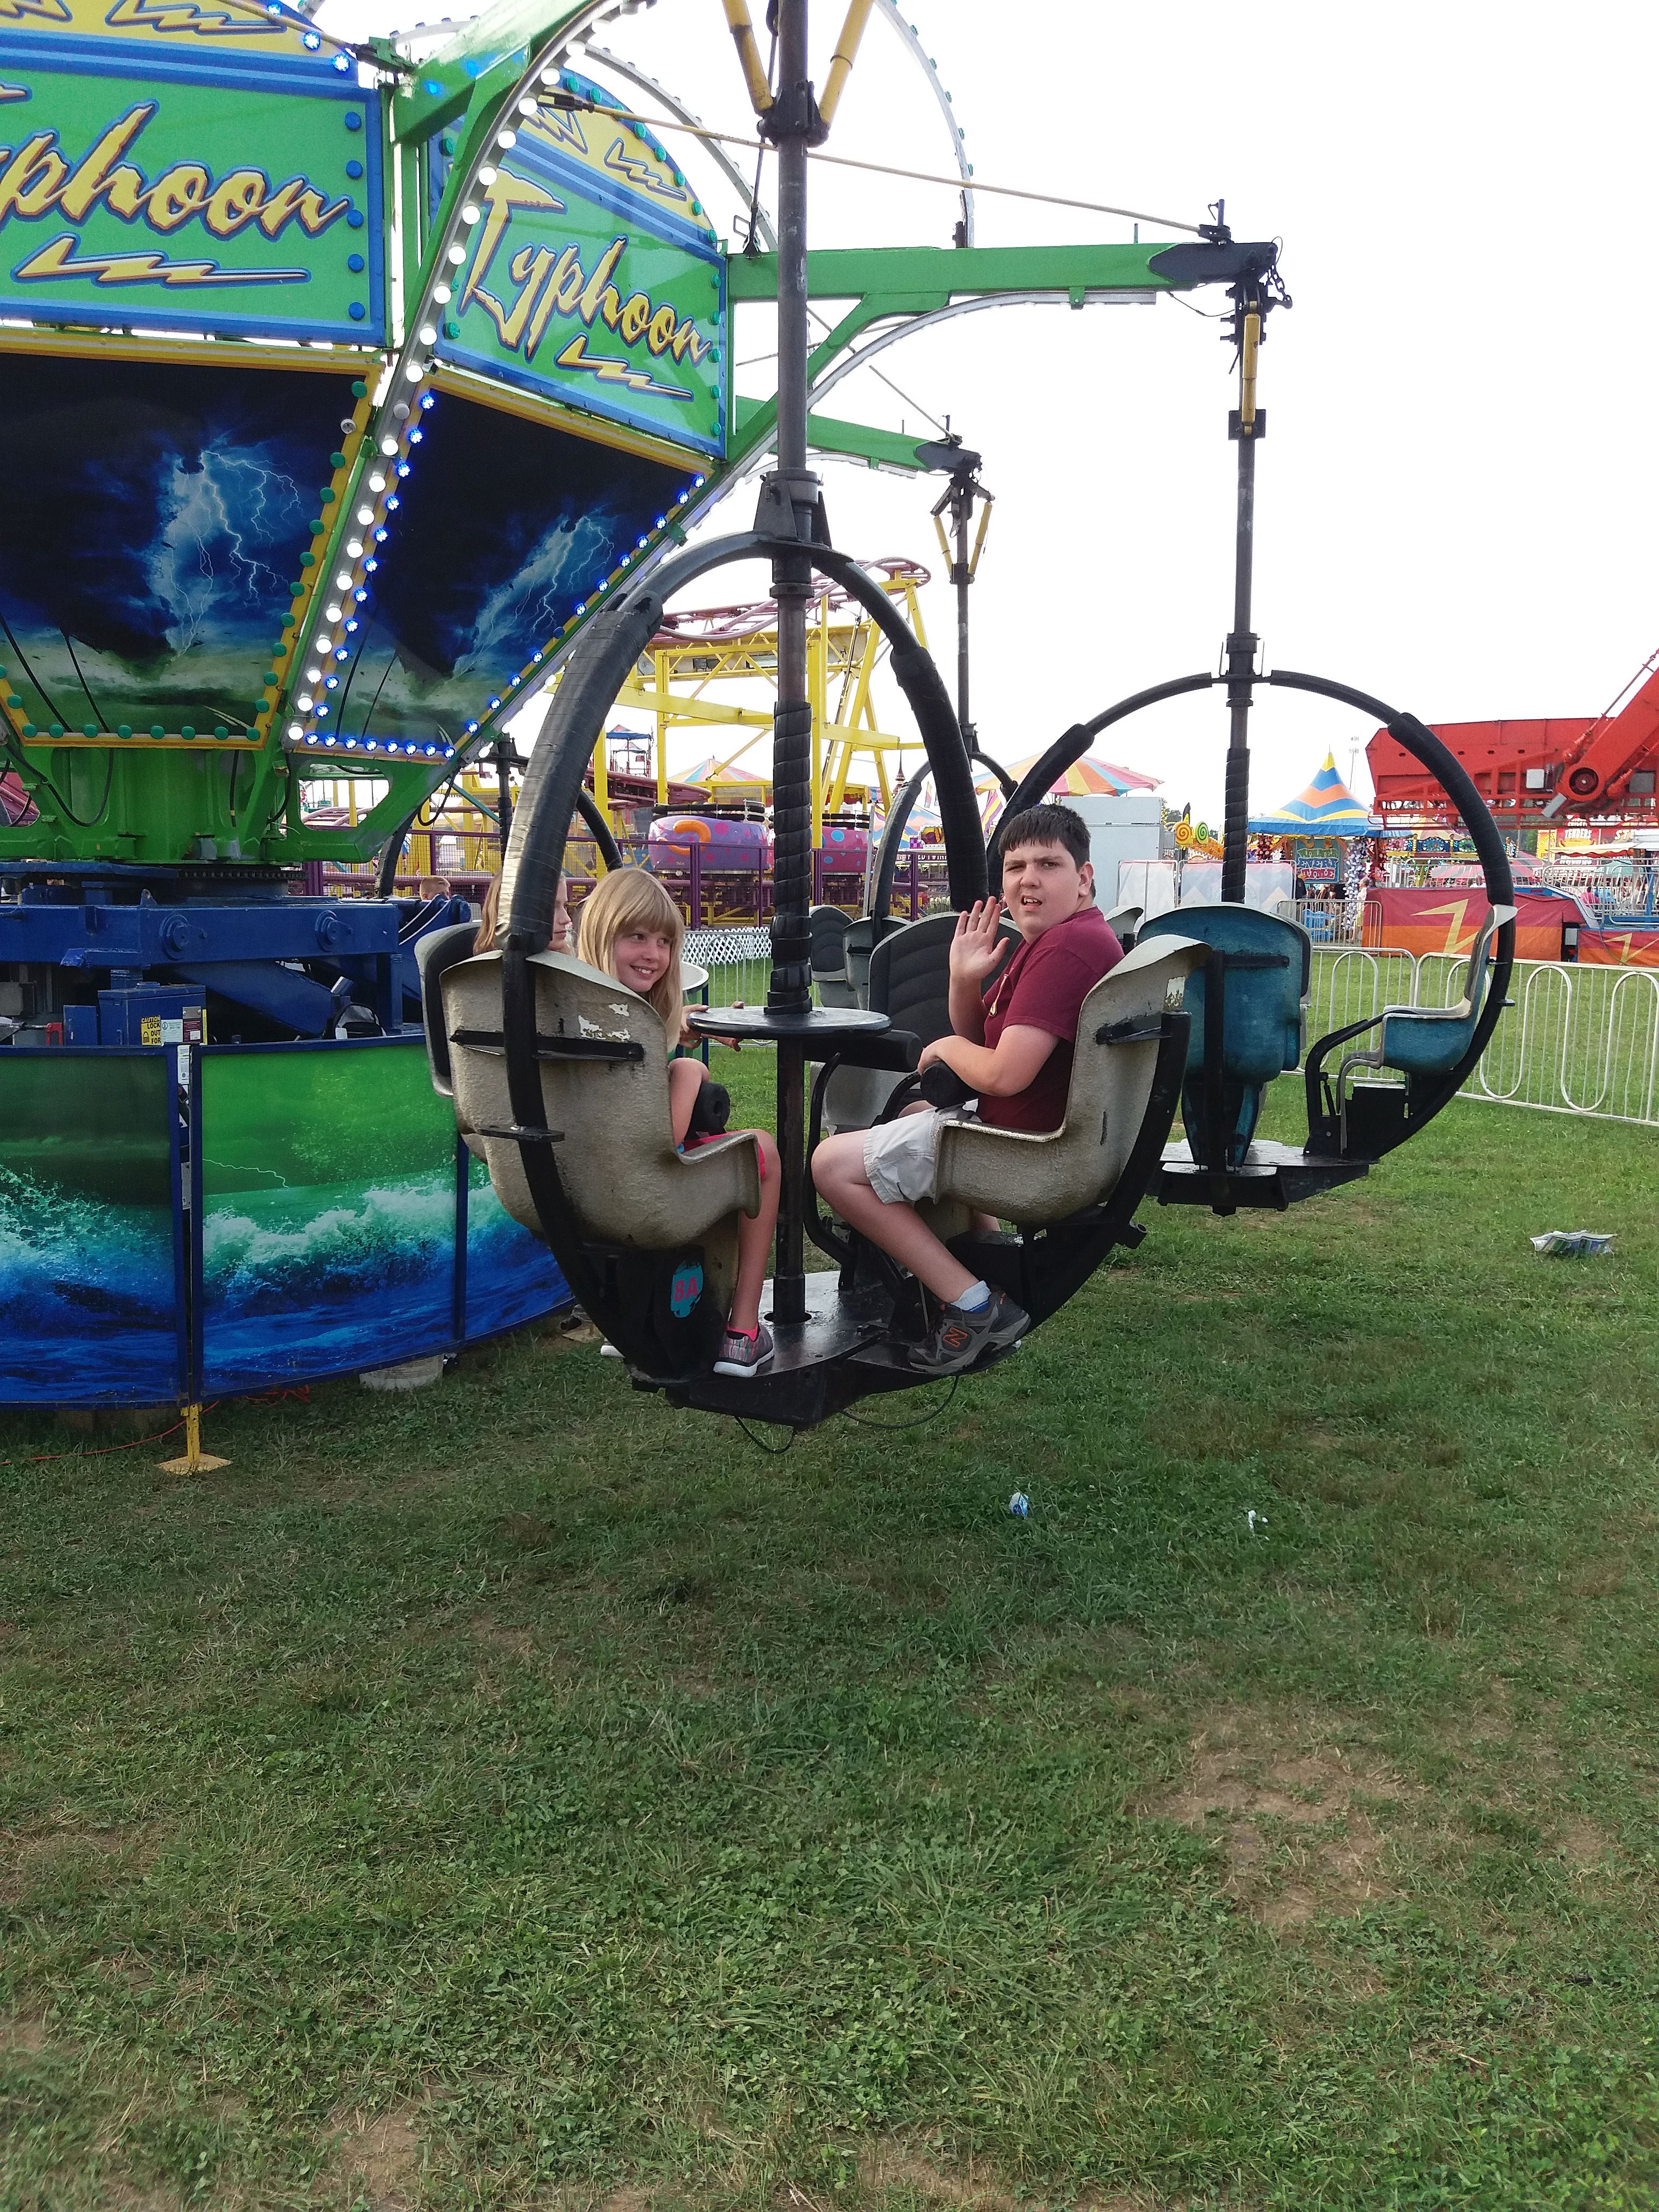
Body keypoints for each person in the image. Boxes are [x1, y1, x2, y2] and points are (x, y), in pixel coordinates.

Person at [812, 802, 1123, 1375]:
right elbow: (984, 1038)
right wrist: (962, 978)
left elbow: (1003, 1074)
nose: (1028, 880)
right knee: (915, 1107)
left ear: (1084, 878)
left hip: (1029, 1156)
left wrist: (945, 1048)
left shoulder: (1065, 950)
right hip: (1048, 1139)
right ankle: (987, 1255)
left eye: (1048, 865)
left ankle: (974, 1305)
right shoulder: (1065, 939)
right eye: (1015, 867)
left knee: (830, 1165)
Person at [576, 867, 782, 1380]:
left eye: (664, 942)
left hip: (585, 1182)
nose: (653, 953)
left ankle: (636, 1319)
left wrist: (681, 1024)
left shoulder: (580, 1009)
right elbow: (659, 1139)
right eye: (636, 937)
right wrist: (687, 1073)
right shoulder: (625, 1023)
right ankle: (743, 1331)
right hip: (642, 1186)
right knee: (761, 1152)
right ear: (602, 934)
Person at [473, 869, 570, 955]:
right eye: (551, 907)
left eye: (565, 906)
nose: (567, 919)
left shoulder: (568, 962)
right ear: (512, 911)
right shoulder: (485, 969)